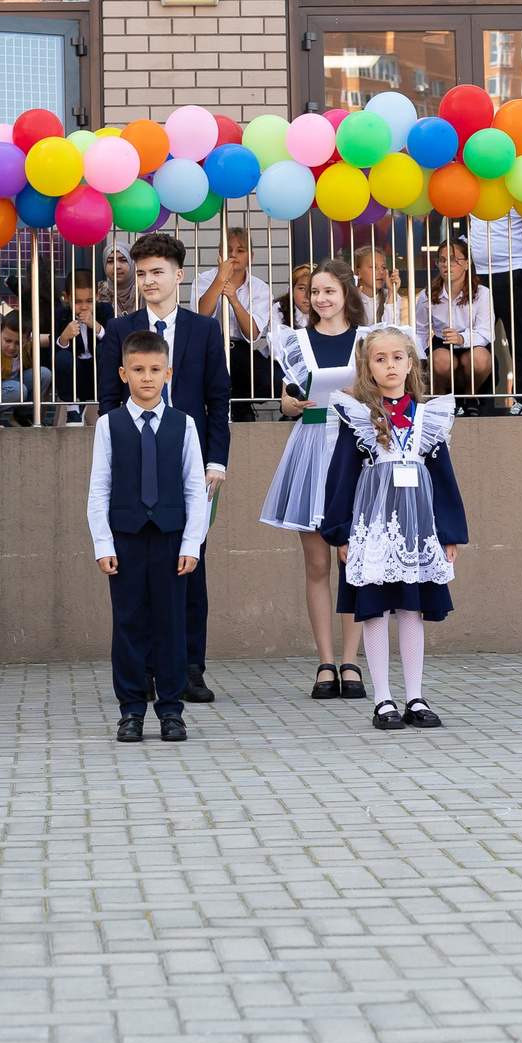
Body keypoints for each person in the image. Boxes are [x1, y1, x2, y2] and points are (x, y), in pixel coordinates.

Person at [97, 231, 230, 705]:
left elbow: (218, 400)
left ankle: (190, 667)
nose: (149, 280)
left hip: (192, 466)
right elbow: (108, 400)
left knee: (189, 565)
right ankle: (146, 671)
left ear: (179, 276)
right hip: (136, 466)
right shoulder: (120, 329)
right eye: (142, 273)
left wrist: (216, 461)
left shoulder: (204, 329)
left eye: (158, 272)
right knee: (138, 573)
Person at [320, 326, 465, 730]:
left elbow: (444, 476)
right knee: (375, 610)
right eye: (380, 359)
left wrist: (449, 531)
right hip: (372, 530)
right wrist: (341, 531)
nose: (390, 366)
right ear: (368, 367)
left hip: (417, 530)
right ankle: (382, 699)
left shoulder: (429, 417)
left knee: (411, 609)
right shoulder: (357, 416)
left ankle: (414, 697)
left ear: (410, 363)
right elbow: (341, 476)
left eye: (397, 357)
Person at [88, 330, 212, 743]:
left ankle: (172, 710)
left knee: (171, 624)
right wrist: (103, 544)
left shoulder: (184, 424)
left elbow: (195, 488)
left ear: (168, 373)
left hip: (171, 540)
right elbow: (99, 488)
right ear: (123, 373)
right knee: (128, 624)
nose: (147, 377)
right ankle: (131, 710)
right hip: (124, 540)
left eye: (155, 369)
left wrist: (192, 544)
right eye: (138, 369)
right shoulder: (108, 425)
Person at [261, 260, 367, 699]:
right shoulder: (295, 341)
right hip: (311, 447)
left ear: (346, 293)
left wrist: (361, 397)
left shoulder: (367, 340)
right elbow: (287, 400)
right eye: (313, 291)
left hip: (357, 450)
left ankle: (352, 661)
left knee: (354, 562)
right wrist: (290, 405)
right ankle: (325, 661)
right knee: (318, 563)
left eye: (329, 291)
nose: (320, 299)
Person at [195, 228, 279, 418]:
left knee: (272, 380)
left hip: (241, 349)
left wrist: (234, 299)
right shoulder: (204, 279)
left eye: (240, 250)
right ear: (220, 254)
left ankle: (240, 403)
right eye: (228, 250)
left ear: (251, 256)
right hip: (211, 346)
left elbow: (253, 334)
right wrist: (220, 279)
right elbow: (201, 316)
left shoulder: (259, 287)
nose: (233, 255)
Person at [463, 213, 522, 410]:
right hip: (478, 272)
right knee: (475, 339)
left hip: (515, 267)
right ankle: (476, 398)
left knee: (519, 340)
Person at [416, 240, 495, 401]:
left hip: (473, 345)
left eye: (453, 259)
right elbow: (420, 331)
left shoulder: (482, 293)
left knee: (480, 359)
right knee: (440, 360)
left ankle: (470, 397)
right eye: (442, 260)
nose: (446, 264)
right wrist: (421, 359)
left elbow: (486, 332)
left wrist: (462, 339)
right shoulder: (428, 294)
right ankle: (440, 399)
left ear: (467, 263)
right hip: (442, 345)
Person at [51, 269, 105, 424]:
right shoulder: (60, 315)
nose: (83, 307)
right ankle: (72, 409)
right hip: (75, 373)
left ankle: (106, 405)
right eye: (77, 302)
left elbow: (114, 344)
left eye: (89, 301)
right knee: (62, 357)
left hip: (98, 372)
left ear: (97, 296)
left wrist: (97, 327)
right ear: (66, 297)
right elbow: (52, 354)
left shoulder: (105, 310)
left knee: (104, 349)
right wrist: (64, 339)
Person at [0, 304, 36, 426]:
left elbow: (49, 339)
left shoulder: (28, 341)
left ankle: (24, 418)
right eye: (7, 340)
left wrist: (64, 338)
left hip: (10, 384)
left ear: (27, 340)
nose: (12, 347)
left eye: (18, 343)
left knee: (44, 374)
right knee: (19, 390)